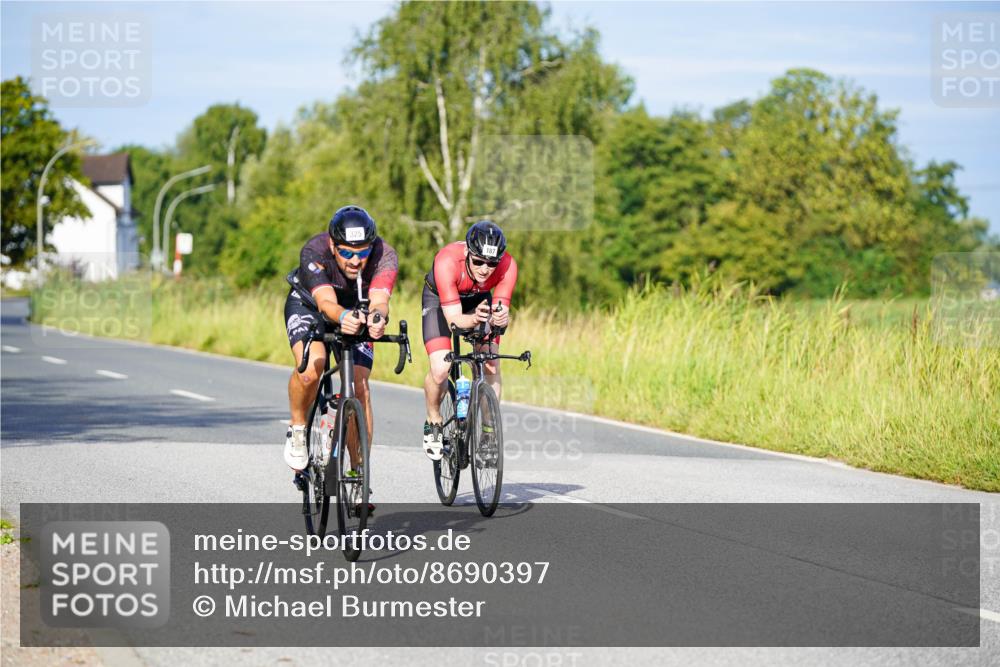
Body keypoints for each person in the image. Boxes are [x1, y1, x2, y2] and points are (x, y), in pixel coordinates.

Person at [282, 205, 398, 472]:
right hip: (311, 305)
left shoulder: (385, 255)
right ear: (333, 246)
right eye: (346, 253)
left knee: (359, 385)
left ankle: (358, 470)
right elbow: (325, 303)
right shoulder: (314, 251)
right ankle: (298, 427)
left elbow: (380, 301)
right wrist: (343, 316)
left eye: (362, 253)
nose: (355, 261)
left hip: (356, 309)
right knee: (311, 370)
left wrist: (377, 318)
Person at [420, 220, 517, 460]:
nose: (485, 269)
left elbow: (501, 310)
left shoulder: (508, 265)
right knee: (441, 369)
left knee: (490, 362)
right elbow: (454, 320)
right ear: (467, 253)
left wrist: (500, 318)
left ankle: (488, 432)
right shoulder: (446, 261)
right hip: (440, 301)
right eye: (479, 261)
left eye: (492, 263)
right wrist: (474, 319)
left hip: (478, 299)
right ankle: (433, 420)